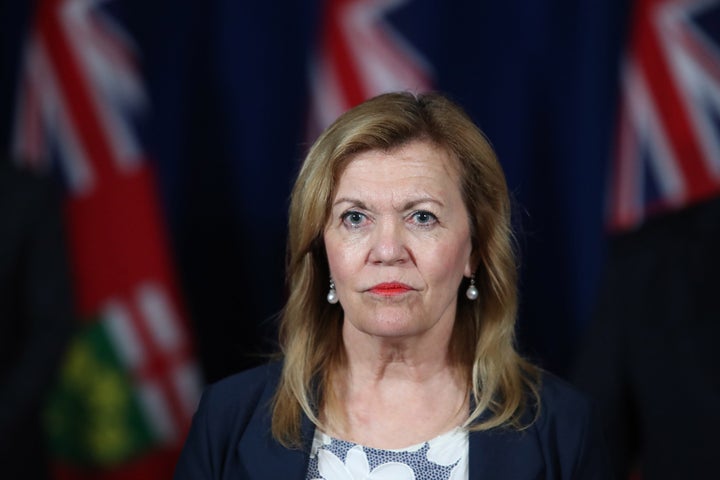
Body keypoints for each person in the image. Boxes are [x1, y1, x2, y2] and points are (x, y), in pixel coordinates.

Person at [174, 91, 610, 479]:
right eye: (355, 218)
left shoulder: (562, 426)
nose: (387, 250)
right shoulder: (228, 419)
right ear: (323, 248)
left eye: (422, 216)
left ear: (474, 250)